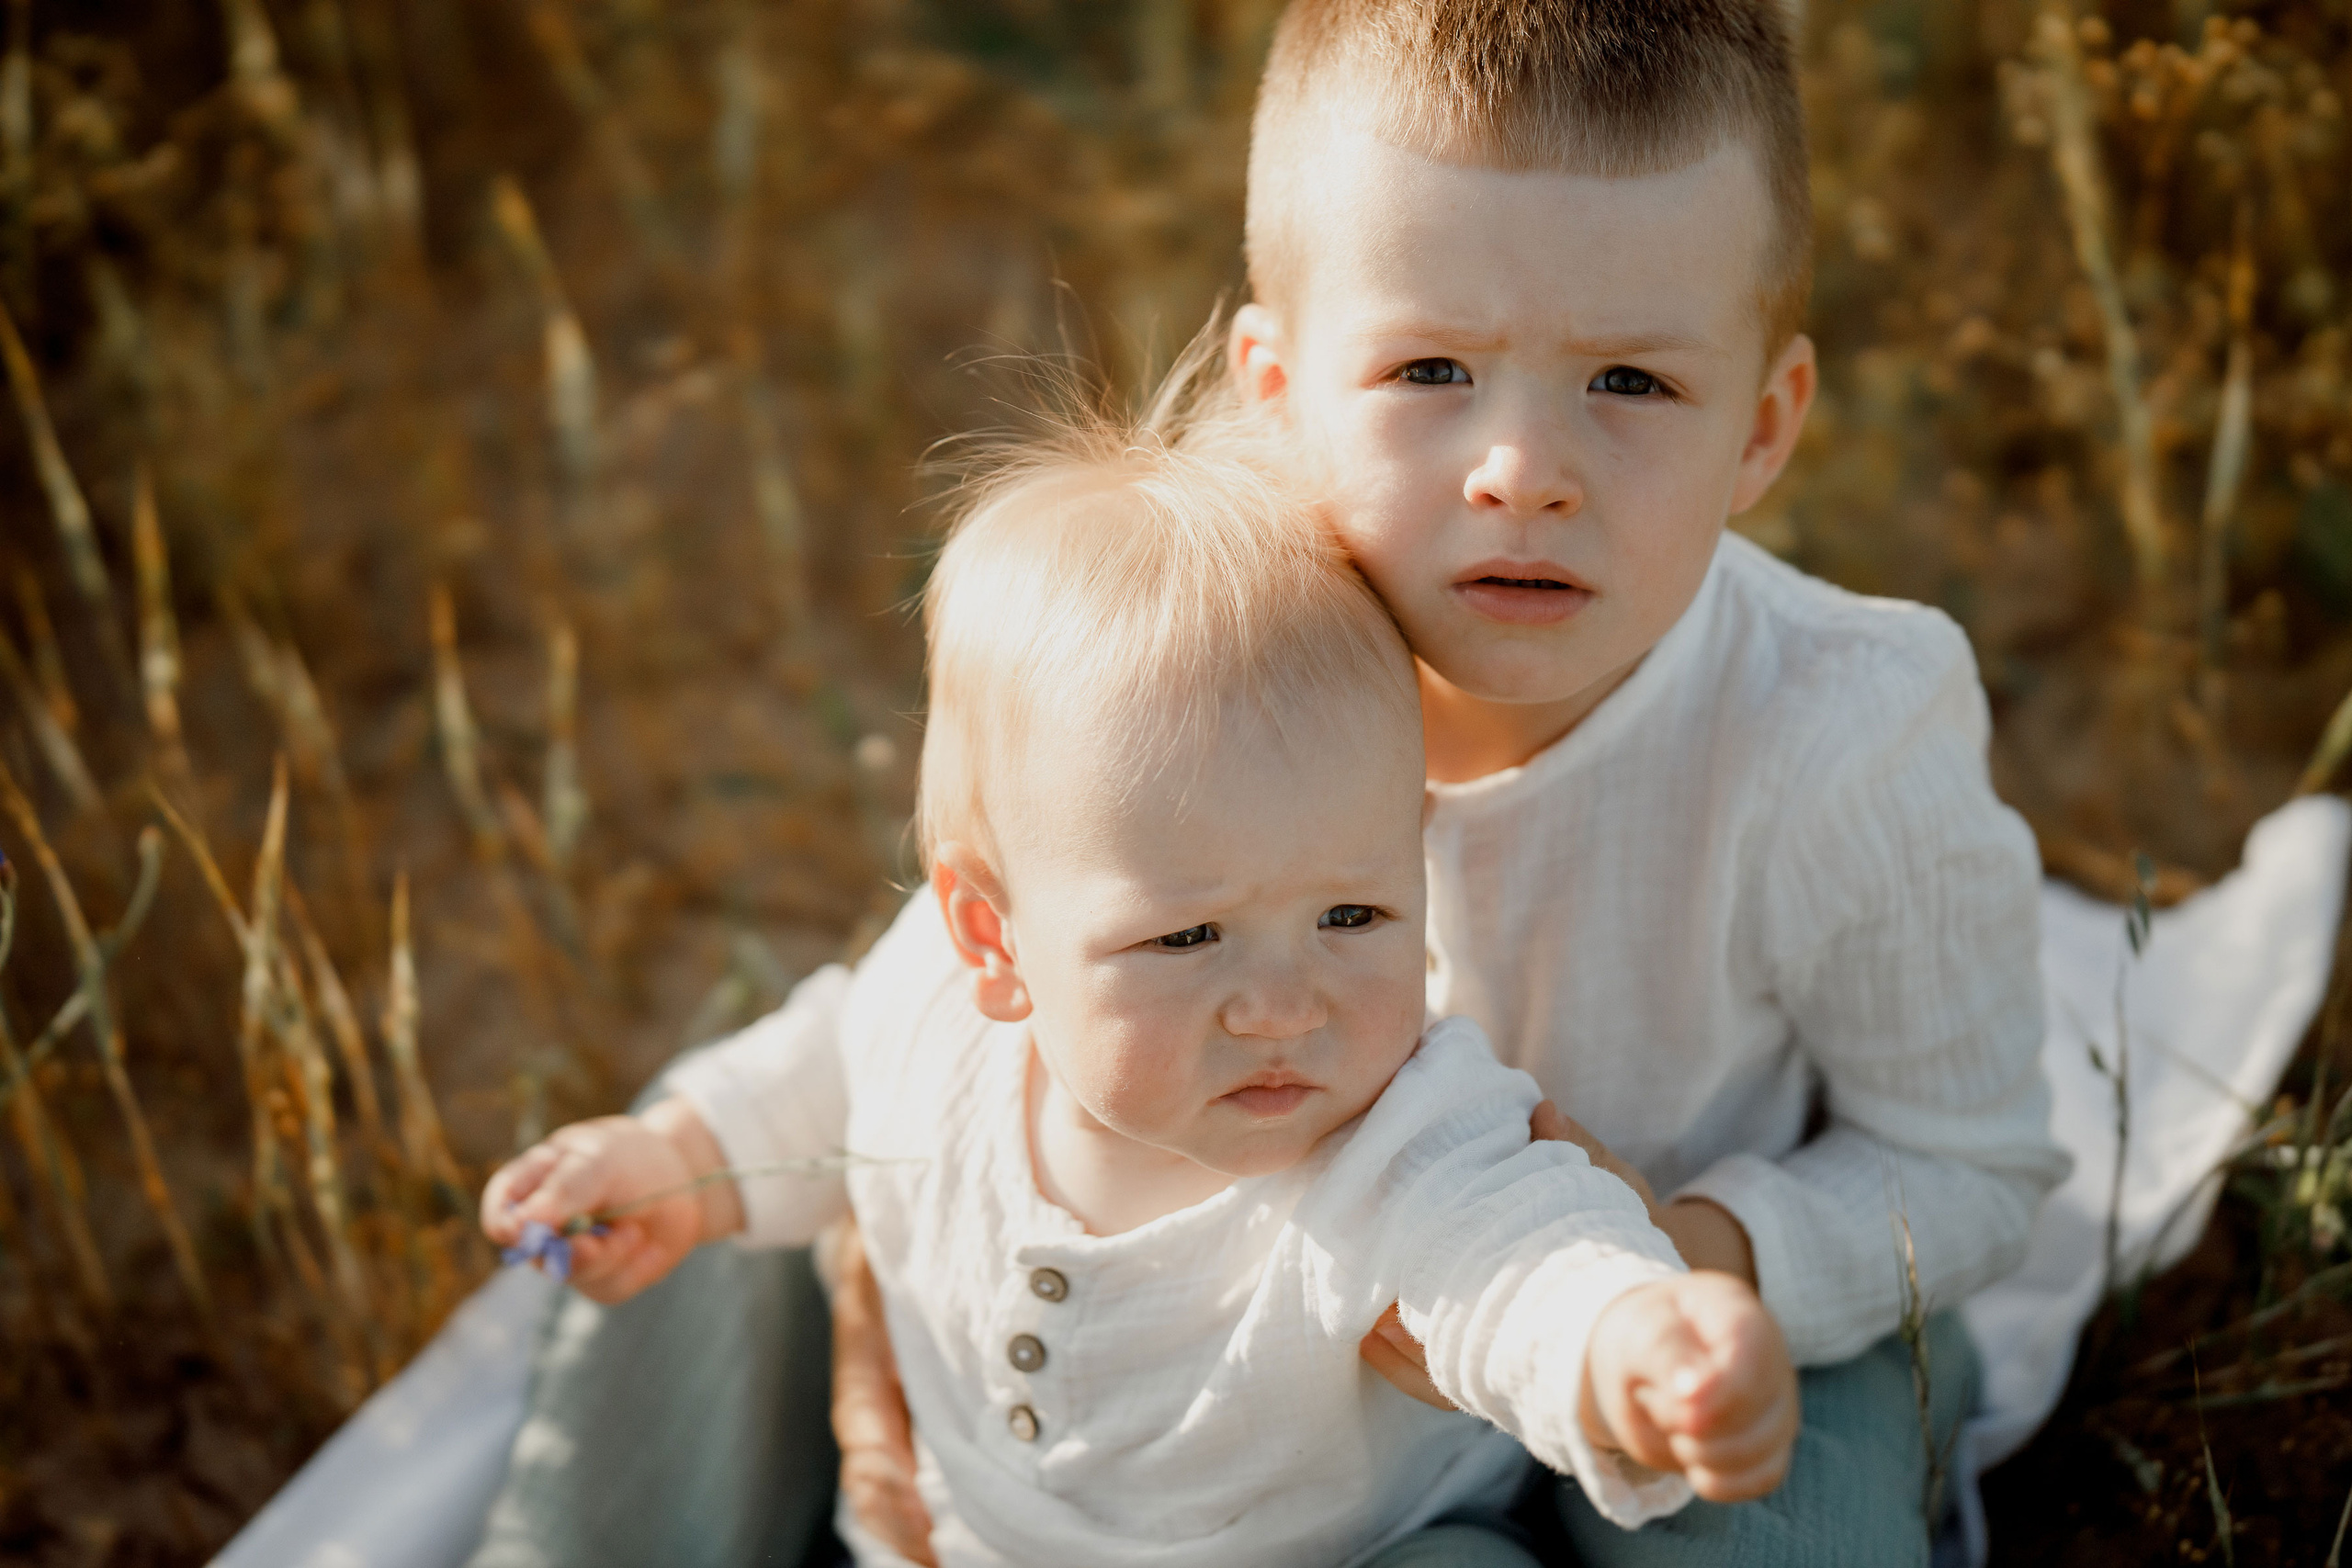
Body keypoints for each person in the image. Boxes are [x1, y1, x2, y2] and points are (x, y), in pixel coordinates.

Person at [467, 2, 2066, 1564]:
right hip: (1253, 1349)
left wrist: (1682, 1270)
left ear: (1765, 426)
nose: (1523, 471)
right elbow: (947, 1008)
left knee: (1777, 1533)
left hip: (1684, 1301)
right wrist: (896, 1274)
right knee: (694, 1166)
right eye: (1431, 369)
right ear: (1278, 391)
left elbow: (1967, 1166)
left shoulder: (1841, 730)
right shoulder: (1198, 653)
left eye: (1631, 383)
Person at [481, 409, 1799, 1567]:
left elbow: (1517, 1258)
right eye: (1188, 939)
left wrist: (1634, 1344)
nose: (1284, 1005)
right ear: (995, 942)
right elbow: (818, 1077)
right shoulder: (931, 1017)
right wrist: (674, 1162)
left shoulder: (1395, 1134)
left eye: (1353, 916)